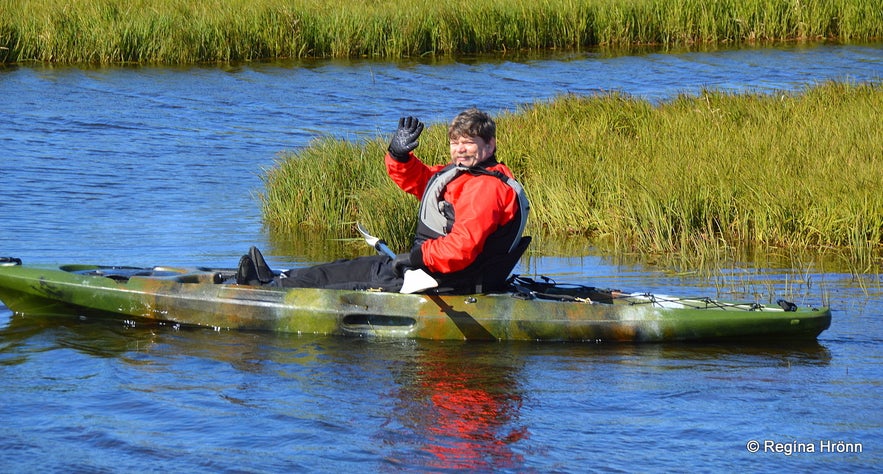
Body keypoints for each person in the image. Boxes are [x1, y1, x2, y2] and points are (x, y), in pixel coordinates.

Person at [237, 108, 530, 294]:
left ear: (490, 145)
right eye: (455, 142)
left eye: (469, 143)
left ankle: (269, 288)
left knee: (349, 280)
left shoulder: (485, 189)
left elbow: (462, 248)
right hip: (431, 269)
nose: (460, 150)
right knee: (349, 265)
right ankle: (278, 279)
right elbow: (422, 182)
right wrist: (399, 156)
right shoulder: (465, 175)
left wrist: (416, 258)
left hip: (444, 279)